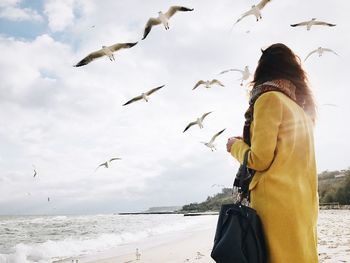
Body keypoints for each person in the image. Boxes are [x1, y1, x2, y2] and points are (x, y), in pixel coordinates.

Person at [226, 43, 319, 262]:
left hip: (275, 203)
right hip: (304, 204)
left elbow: (260, 159)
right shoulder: (301, 112)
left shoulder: (268, 99)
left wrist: (235, 147)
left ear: (263, 70)